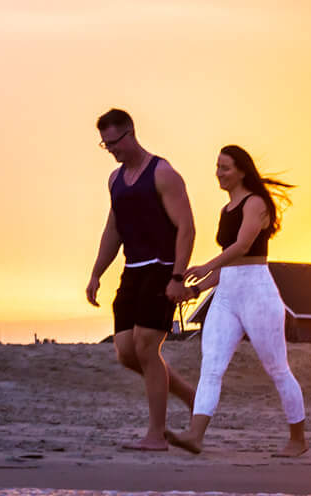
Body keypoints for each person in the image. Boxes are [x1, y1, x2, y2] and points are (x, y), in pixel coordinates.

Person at [168, 146, 307, 458]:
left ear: (242, 171)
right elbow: (228, 267)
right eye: (217, 166)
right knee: (211, 367)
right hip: (227, 294)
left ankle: (298, 438)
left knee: (277, 368)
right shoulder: (225, 209)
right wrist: (199, 288)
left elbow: (243, 247)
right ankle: (195, 435)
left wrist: (206, 265)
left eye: (225, 167)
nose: (219, 172)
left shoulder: (256, 203)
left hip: (257, 291)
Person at [85, 108, 197, 450]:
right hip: (132, 272)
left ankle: (156, 436)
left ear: (131, 133)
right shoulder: (115, 181)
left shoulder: (163, 173)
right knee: (126, 352)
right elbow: (113, 229)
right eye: (105, 145)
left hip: (162, 268)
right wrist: (95, 273)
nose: (111, 150)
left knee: (147, 346)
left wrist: (178, 277)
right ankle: (193, 398)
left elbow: (187, 228)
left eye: (114, 142)